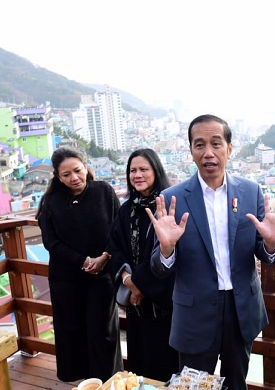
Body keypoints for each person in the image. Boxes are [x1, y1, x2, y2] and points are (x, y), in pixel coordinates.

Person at [148, 114, 275, 390]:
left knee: (237, 382)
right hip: (195, 312)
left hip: (241, 310)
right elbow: (158, 267)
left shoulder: (250, 192)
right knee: (194, 385)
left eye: (216, 143)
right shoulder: (172, 199)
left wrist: (271, 244)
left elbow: (264, 252)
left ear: (230, 148)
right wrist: (166, 249)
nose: (208, 153)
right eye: (199, 145)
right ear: (190, 151)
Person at [36, 147, 122, 382]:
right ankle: (81, 383)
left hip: (102, 275)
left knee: (102, 332)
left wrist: (104, 256)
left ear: (85, 167)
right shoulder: (52, 201)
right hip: (66, 278)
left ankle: (108, 381)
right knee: (70, 331)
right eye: (66, 174)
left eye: (77, 170)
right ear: (57, 176)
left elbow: (118, 228)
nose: (74, 178)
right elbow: (50, 242)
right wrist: (82, 261)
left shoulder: (103, 191)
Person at [107, 148, 179, 381]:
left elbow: (169, 253)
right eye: (132, 170)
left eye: (143, 169)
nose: (137, 175)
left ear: (156, 171)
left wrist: (140, 287)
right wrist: (129, 282)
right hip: (136, 306)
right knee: (140, 366)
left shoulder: (168, 206)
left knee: (166, 365)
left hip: (164, 306)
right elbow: (115, 249)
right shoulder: (126, 209)